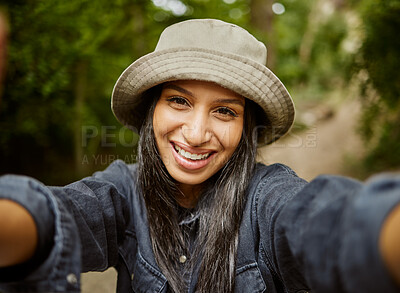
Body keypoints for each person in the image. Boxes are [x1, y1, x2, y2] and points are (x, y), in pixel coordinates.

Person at [0, 18, 400, 293]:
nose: (195, 134)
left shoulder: (267, 197)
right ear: (150, 110)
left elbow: (328, 221)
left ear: (247, 128)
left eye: (225, 111)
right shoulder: (122, 191)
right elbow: (54, 213)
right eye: (178, 101)